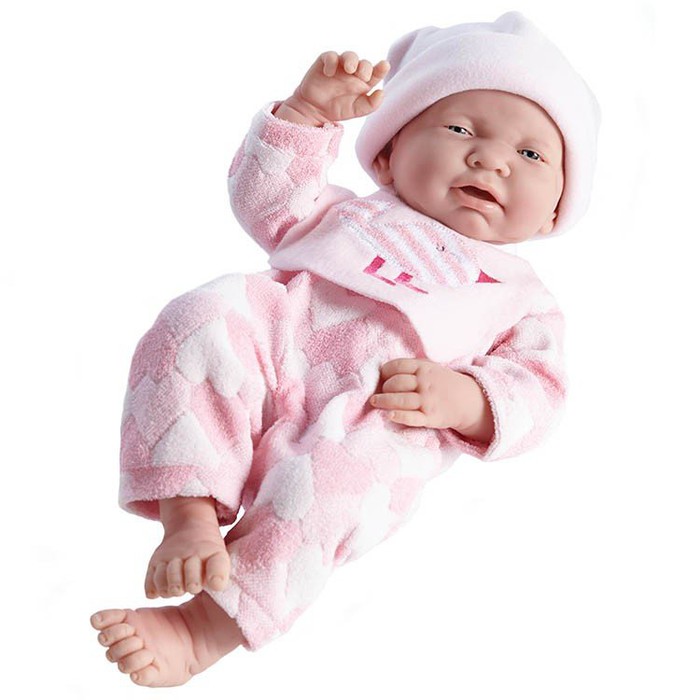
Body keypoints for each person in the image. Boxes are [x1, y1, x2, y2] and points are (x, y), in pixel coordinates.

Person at [90, 11, 600, 687]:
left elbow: (541, 392)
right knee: (201, 316)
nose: (491, 158)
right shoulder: (345, 213)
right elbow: (267, 199)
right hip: (275, 344)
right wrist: (306, 115)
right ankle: (190, 512)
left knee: (334, 487)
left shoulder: (523, 299)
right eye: (460, 129)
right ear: (387, 153)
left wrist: (470, 399)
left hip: (375, 415)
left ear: (557, 209)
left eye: (532, 155)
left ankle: (202, 627)